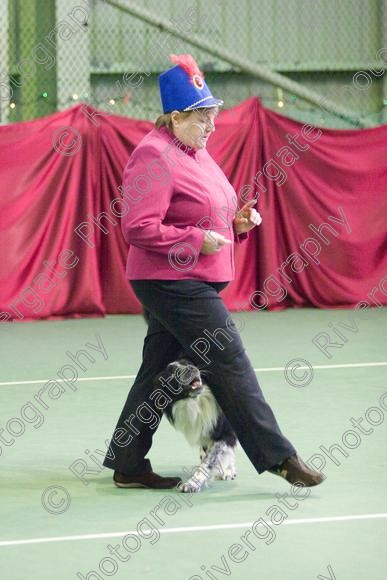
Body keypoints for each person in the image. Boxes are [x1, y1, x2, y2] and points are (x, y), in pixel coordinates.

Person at [103, 54, 324, 490]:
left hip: (191, 277)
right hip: (170, 282)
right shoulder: (153, 155)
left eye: (213, 116)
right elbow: (138, 226)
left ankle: (128, 462)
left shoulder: (197, 153)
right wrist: (194, 241)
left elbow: (206, 211)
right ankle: (280, 457)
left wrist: (236, 223)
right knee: (229, 358)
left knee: (157, 369)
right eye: (203, 118)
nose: (211, 126)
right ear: (177, 117)